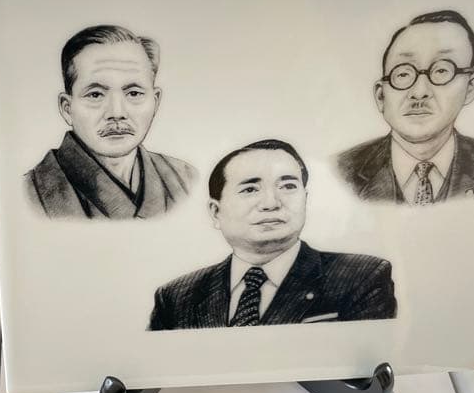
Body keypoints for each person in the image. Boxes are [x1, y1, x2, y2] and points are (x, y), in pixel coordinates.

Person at [149, 140, 396, 330]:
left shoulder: (362, 278)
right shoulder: (176, 297)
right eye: (250, 189)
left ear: (305, 199)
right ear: (216, 212)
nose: (271, 203)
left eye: (287, 186)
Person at [24, 25, 197, 219]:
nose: (117, 113)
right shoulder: (30, 194)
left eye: (134, 93)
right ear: (67, 108)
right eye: (95, 94)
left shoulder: (185, 178)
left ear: (155, 102)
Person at [337, 10, 474, 204]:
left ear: (471, 87)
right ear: (381, 95)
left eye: (441, 70)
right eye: (403, 74)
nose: (419, 92)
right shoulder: (343, 170)